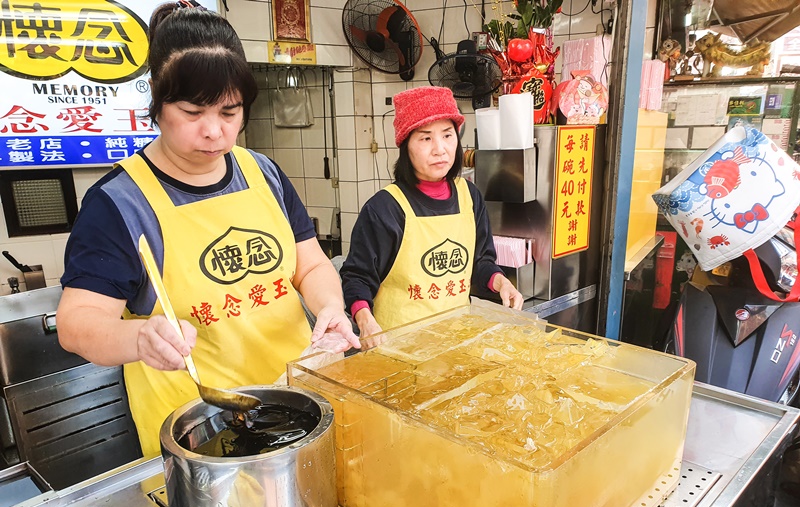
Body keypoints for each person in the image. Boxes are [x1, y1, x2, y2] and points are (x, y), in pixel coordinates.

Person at [56, 2, 359, 457]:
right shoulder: (119, 203)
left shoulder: (264, 174)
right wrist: (140, 338)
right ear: (157, 101)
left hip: (297, 404)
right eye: (194, 112)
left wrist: (331, 307)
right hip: (202, 435)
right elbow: (76, 324)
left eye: (230, 112)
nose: (215, 132)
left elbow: (310, 264)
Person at [340, 86, 523, 339]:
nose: (440, 149)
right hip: (398, 348)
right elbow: (357, 277)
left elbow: (481, 261)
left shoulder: (469, 196)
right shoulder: (385, 208)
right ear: (406, 146)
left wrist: (501, 282)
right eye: (426, 138)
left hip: (455, 342)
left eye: (447, 135)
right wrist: (364, 318)